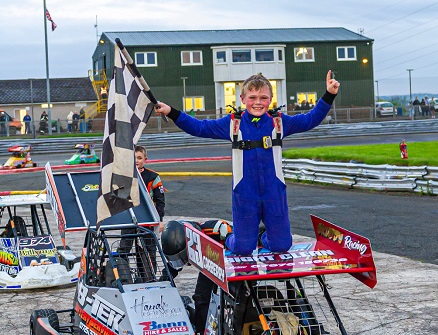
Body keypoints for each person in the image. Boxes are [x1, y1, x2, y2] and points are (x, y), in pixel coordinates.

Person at [155, 71, 340, 255]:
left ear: (271, 99)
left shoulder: (279, 122)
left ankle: (261, 236)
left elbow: (310, 119)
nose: (258, 102)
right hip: (244, 194)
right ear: (243, 99)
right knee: (243, 248)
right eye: (252, 98)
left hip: (274, 192)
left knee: (282, 246)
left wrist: (329, 94)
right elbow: (199, 128)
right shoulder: (232, 123)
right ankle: (225, 232)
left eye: (263, 98)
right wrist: (172, 112)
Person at [119, 146, 165, 272]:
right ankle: (123, 274)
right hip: (129, 217)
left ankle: (150, 275)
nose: (136, 161)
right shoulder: (123, 176)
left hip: (148, 219)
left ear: (145, 159)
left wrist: (160, 220)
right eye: (133, 158)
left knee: (150, 248)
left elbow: (160, 201)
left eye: (139, 158)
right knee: (124, 248)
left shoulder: (153, 177)